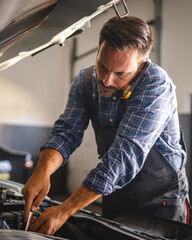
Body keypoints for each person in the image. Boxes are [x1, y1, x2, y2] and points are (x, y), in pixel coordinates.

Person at [22, 16, 190, 235]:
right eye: (102, 66)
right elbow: (66, 133)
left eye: (121, 74)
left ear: (142, 63)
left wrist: (64, 211)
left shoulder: (156, 85)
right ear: (99, 48)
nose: (107, 80)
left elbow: (124, 155)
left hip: (161, 201)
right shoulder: (85, 82)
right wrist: (42, 171)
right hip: (114, 193)